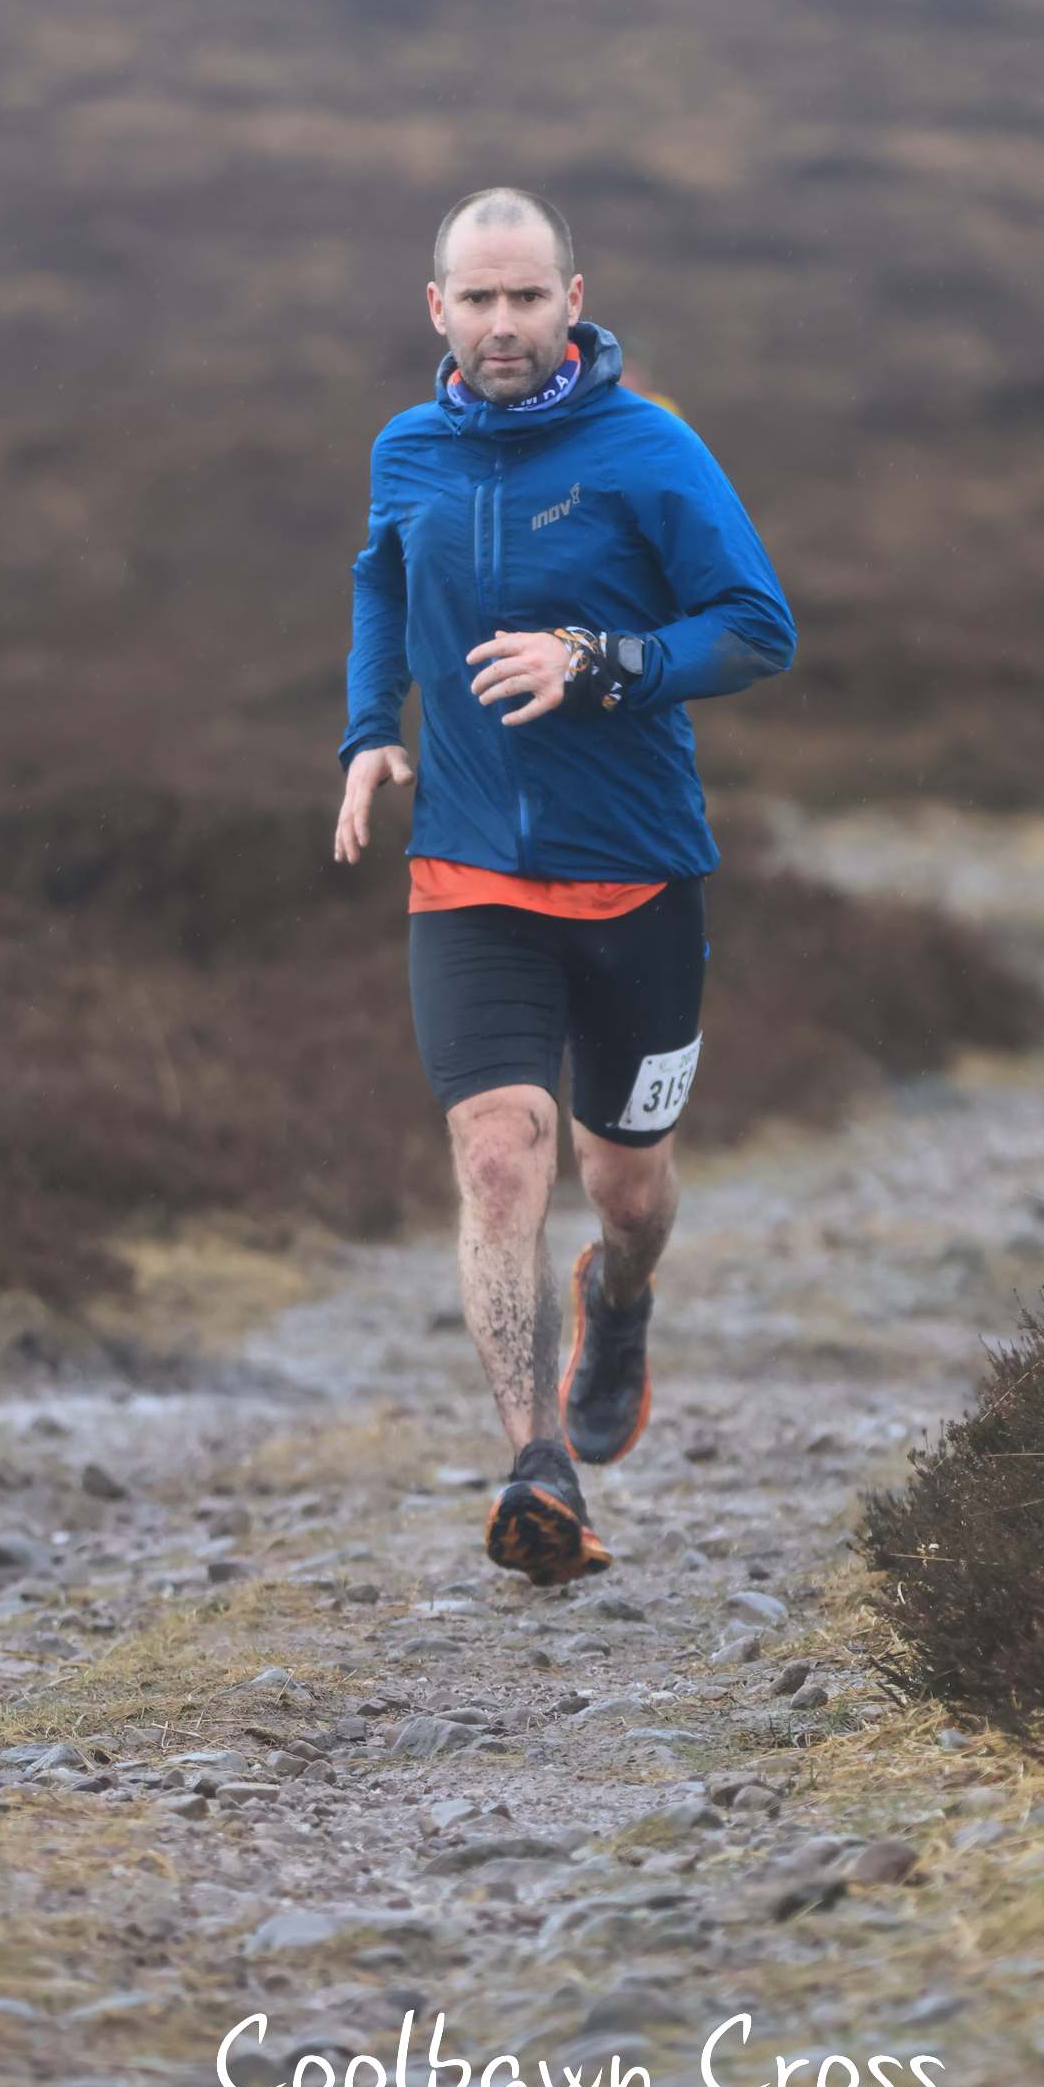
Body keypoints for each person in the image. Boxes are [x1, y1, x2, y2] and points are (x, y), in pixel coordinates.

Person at [334, 188, 796, 1585]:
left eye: (527, 297)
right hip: (468, 871)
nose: (503, 324)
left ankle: (621, 1295)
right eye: (477, 299)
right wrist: (370, 731)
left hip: (637, 874)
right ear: (437, 308)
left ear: (572, 302)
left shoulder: (650, 449)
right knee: (497, 1154)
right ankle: (538, 1467)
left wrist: (605, 661)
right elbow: (380, 580)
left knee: (626, 1186)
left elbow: (757, 627)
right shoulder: (407, 449)